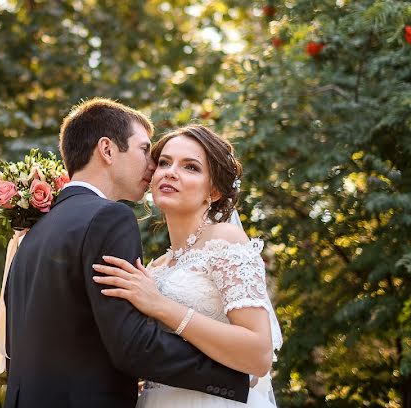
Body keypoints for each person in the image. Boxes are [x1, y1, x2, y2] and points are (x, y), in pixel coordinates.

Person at [3, 99, 250, 408]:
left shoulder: (31, 236)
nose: (152, 166)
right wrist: (234, 376)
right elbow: (131, 345)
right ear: (107, 150)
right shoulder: (108, 217)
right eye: (145, 150)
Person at [92, 125, 282, 407]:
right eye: (165, 163)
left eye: (190, 167)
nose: (170, 172)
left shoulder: (225, 241)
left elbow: (258, 355)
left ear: (214, 191)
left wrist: (160, 306)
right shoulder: (156, 266)